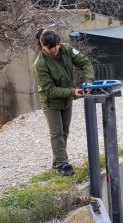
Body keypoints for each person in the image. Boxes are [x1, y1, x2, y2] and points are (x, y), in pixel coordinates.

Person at [33, 29, 94, 176]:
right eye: (51, 47)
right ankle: (62, 164)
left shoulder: (66, 49)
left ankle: (58, 160)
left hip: (67, 97)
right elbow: (50, 90)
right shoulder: (39, 64)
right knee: (57, 132)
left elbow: (84, 62)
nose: (55, 50)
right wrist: (72, 92)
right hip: (51, 101)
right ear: (43, 47)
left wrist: (89, 81)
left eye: (57, 46)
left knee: (65, 131)